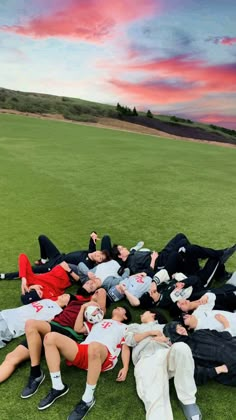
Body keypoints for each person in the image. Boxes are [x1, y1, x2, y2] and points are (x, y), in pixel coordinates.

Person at [21, 304, 132, 420]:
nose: (117, 308)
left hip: (104, 356)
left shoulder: (125, 327)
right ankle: (58, 386)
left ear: (125, 317)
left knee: (94, 347)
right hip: (85, 350)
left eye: (121, 308)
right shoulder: (98, 320)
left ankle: (88, 399)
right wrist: (83, 308)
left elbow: (125, 348)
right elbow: (77, 329)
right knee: (50, 337)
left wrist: (125, 367)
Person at [0, 289, 106, 383]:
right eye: (96, 290)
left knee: (31, 324)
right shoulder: (75, 302)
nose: (98, 291)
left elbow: (79, 327)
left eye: (101, 292)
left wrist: (88, 306)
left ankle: (35, 371)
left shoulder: (97, 313)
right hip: (50, 326)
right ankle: (36, 372)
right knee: (11, 357)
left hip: (65, 332)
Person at [124, 310, 201, 420]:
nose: (140, 315)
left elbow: (181, 339)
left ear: (153, 314)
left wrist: (167, 340)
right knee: (154, 396)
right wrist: (150, 333)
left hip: (167, 354)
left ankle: (188, 401)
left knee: (182, 348)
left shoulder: (166, 326)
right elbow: (129, 340)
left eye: (144, 313)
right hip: (147, 358)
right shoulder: (135, 326)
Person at [112, 233, 235, 283]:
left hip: (162, 254)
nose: (125, 248)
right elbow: (147, 273)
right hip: (162, 263)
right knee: (185, 248)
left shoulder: (132, 253)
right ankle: (218, 254)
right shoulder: (131, 265)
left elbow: (135, 248)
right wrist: (154, 259)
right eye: (122, 249)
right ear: (120, 256)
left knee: (181, 237)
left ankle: (192, 260)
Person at [1, 232, 111, 280]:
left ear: (97, 262)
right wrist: (93, 234)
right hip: (57, 256)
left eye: (100, 258)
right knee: (42, 238)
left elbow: (80, 276)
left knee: (30, 270)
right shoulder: (91, 251)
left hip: (54, 266)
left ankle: (4, 276)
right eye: (100, 253)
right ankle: (43, 260)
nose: (98, 254)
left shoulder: (87, 264)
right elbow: (92, 237)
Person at [163, 321, 236, 386]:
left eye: (180, 326)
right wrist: (219, 369)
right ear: (172, 335)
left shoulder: (199, 332)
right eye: (176, 329)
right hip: (230, 365)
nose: (181, 329)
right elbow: (194, 374)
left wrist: (226, 325)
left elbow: (223, 335)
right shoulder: (184, 350)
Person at [0, 293, 75, 348]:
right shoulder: (48, 300)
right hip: (6, 313)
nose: (64, 294)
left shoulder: (58, 313)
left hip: (11, 326)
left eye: (67, 296)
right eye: (65, 294)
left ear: (67, 304)